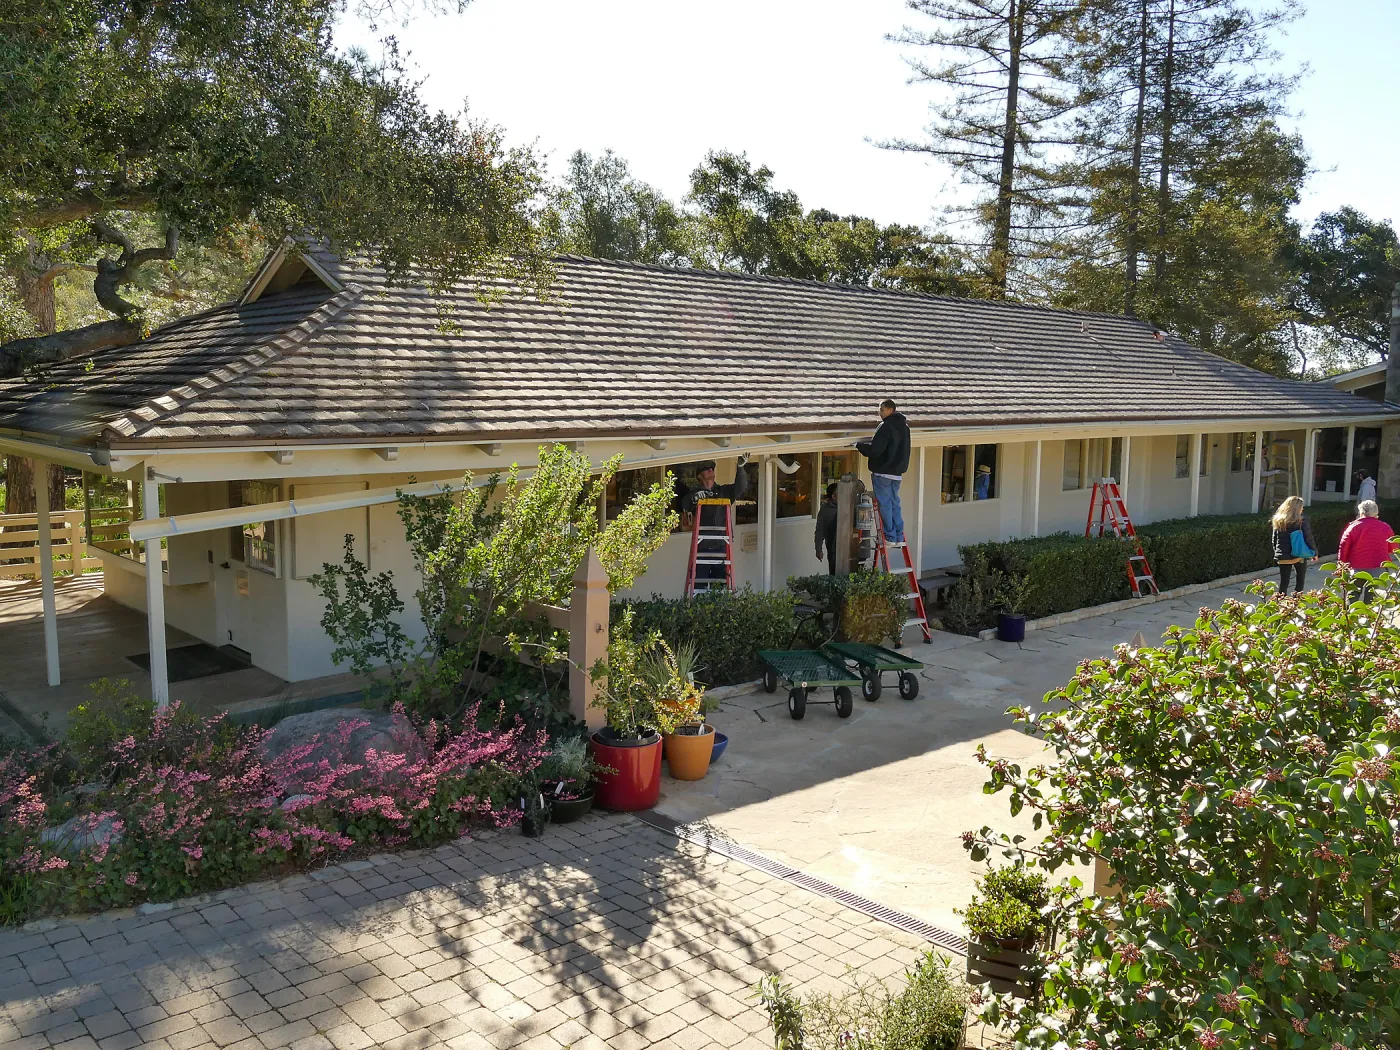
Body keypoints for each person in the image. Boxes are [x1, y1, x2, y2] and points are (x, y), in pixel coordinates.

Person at [683, 457, 750, 585]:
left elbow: (740, 488)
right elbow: (685, 504)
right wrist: (695, 497)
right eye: (706, 469)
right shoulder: (695, 493)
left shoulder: (724, 492)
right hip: (702, 546)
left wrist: (740, 468)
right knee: (700, 584)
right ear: (699, 476)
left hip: (721, 545)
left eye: (712, 468)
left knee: (720, 584)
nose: (710, 470)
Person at [855, 398, 911, 543]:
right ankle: (899, 535)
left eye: (882, 410)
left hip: (883, 472)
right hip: (897, 473)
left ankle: (890, 537)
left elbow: (876, 450)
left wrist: (859, 445)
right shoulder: (905, 427)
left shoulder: (886, 426)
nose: (879, 413)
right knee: (894, 503)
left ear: (890, 410)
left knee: (885, 504)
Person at [1338, 499, 1398, 603]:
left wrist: (1341, 565)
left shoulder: (1353, 526)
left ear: (1361, 512)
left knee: (1352, 598)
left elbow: (1343, 547)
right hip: (1378, 569)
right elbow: (1393, 547)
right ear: (1376, 513)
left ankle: (1350, 618)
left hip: (1356, 568)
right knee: (1372, 599)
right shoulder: (1385, 527)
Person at [1269, 495, 1316, 594]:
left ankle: (1281, 604)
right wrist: (1314, 552)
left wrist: (1277, 552)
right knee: (1300, 581)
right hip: (1299, 554)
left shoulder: (1278, 520)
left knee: (1284, 583)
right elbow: (1308, 538)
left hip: (1283, 555)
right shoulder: (1301, 521)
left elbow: (1274, 539)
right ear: (1298, 508)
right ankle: (1295, 602)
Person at [815, 483, 839, 575]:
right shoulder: (826, 511)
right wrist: (818, 549)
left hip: (851, 549)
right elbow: (819, 531)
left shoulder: (849, 506)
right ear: (834, 496)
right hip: (834, 549)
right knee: (835, 575)